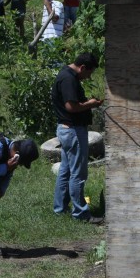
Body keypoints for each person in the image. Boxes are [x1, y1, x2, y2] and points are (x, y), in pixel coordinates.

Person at [52, 53, 104, 224]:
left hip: (66, 130)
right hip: (73, 131)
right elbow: (71, 107)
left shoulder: (66, 74)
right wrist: (91, 104)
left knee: (66, 171)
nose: (88, 77)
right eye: (88, 73)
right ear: (82, 67)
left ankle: (59, 208)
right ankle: (80, 213)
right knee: (78, 174)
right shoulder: (68, 79)